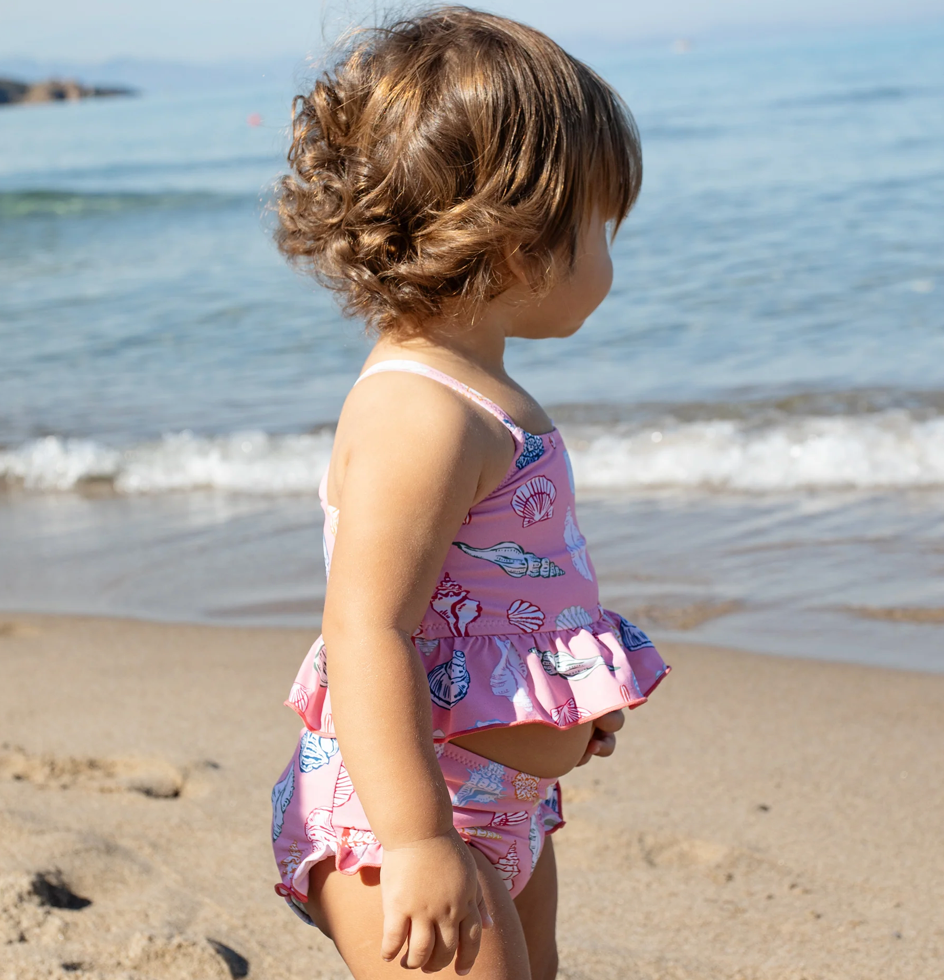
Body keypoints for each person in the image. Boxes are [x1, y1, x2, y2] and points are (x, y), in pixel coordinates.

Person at [269, 8, 669, 977]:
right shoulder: (422, 413)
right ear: (515, 242)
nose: (610, 257)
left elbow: (494, 595)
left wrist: (570, 705)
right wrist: (416, 840)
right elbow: (367, 628)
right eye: (598, 227)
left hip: (501, 800)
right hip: (404, 805)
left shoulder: (478, 389)